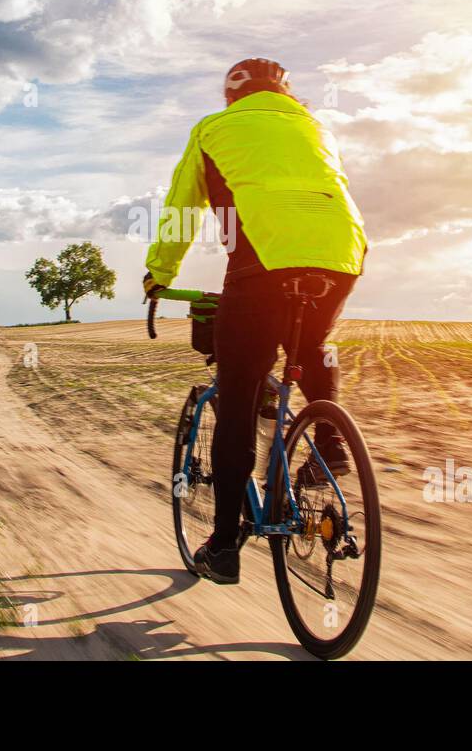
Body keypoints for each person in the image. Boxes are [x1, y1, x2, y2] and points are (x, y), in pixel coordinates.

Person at [143, 57, 367, 584]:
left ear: (230, 97)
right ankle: (331, 445)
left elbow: (182, 208)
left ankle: (223, 548)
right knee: (312, 343)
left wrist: (158, 272)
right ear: (287, 94)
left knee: (238, 394)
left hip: (264, 259)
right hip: (343, 253)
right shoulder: (316, 127)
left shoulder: (214, 128)